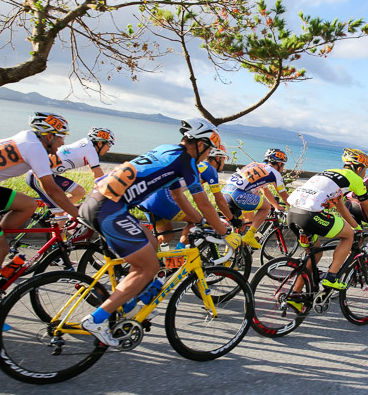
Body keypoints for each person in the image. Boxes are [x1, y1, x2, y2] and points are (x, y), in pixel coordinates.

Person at [78, 118, 241, 346]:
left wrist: (202, 222)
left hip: (98, 201)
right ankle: (97, 319)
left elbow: (177, 195)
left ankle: (128, 302)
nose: (208, 156)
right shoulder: (186, 162)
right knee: (148, 267)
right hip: (109, 209)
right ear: (201, 143)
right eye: (208, 149)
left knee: (153, 245)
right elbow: (203, 202)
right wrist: (224, 231)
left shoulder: (166, 149)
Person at [0, 112, 79, 327]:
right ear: (48, 136)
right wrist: (78, 215)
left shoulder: (28, 140)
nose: (63, 142)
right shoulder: (35, 148)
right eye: (61, 136)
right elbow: (52, 189)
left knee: (28, 204)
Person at [286, 148, 368, 295]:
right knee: (348, 235)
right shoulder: (355, 179)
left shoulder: (329, 172)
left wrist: (357, 227)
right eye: (365, 170)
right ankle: (331, 276)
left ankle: (295, 295)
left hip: (292, 214)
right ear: (359, 168)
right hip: (310, 215)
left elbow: (340, 205)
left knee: (315, 254)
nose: (365, 174)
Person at [139, 144, 233, 249]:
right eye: (224, 159)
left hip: (148, 198)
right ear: (218, 158)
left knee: (167, 235)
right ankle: (178, 255)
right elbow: (219, 200)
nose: (224, 163)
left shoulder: (197, 166)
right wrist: (232, 219)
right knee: (196, 221)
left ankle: (148, 257)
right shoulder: (209, 169)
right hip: (162, 198)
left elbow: (202, 198)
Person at [25, 127, 115, 214]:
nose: (109, 148)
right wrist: (112, 193)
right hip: (39, 176)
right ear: (100, 143)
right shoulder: (91, 150)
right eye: (109, 144)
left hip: (44, 174)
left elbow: (95, 173)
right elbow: (98, 174)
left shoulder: (86, 144)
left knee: (79, 192)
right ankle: (55, 215)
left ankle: (54, 209)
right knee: (62, 212)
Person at [220, 148, 291, 249]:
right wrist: (293, 208)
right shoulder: (275, 173)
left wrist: (276, 205)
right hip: (237, 195)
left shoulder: (256, 165)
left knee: (239, 229)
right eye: (283, 164)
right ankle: (250, 236)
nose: (283, 167)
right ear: (279, 163)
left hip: (224, 193)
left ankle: (229, 261)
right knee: (266, 207)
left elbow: (265, 191)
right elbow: (283, 195)